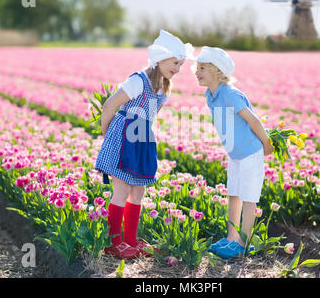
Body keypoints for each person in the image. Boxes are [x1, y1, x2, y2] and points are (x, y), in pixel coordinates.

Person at [95, 30, 194, 259]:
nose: (177, 68)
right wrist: (109, 135)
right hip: (123, 136)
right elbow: (110, 105)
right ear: (160, 58)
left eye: (180, 64)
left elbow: (150, 117)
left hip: (142, 138)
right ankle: (113, 243)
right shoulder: (138, 81)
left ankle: (130, 241)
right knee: (120, 191)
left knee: (138, 191)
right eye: (174, 62)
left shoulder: (163, 88)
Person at [193, 46, 274, 259]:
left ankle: (243, 244)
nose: (197, 71)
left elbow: (253, 119)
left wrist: (266, 143)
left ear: (218, 71)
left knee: (248, 197)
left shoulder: (229, 94)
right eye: (197, 67)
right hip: (235, 154)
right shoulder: (211, 95)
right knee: (234, 193)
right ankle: (231, 238)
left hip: (249, 153)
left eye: (202, 68)